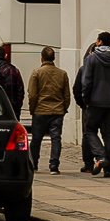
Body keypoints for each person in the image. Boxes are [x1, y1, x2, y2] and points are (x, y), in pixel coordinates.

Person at [74, 30, 110, 176]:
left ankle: (101, 157)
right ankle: (109, 168)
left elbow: (86, 82)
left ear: (99, 42)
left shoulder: (91, 59)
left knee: (90, 131)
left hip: (95, 102)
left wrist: (86, 100)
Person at [25, 44, 72, 174]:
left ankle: (34, 163)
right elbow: (67, 95)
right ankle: (54, 165)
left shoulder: (37, 73)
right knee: (56, 138)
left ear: (42, 58)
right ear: (53, 58)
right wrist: (64, 108)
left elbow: (32, 94)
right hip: (57, 111)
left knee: (36, 139)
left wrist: (32, 108)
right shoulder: (62, 74)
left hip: (40, 110)